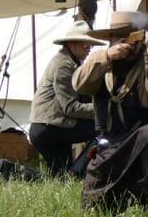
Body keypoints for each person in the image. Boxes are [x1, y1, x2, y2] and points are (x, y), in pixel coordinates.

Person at [72, 11, 148, 217]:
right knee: (94, 207)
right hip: (110, 146)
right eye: (114, 36)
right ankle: (136, 192)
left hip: (144, 144)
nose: (119, 40)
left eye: (126, 35)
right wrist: (106, 56)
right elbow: (79, 84)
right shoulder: (101, 61)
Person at [28, 20, 105, 176]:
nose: (89, 48)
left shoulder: (69, 62)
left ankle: (8, 172)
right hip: (49, 128)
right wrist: (102, 108)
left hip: (49, 127)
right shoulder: (63, 65)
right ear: (72, 44)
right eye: (85, 45)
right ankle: (80, 173)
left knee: (59, 177)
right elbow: (70, 108)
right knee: (103, 126)